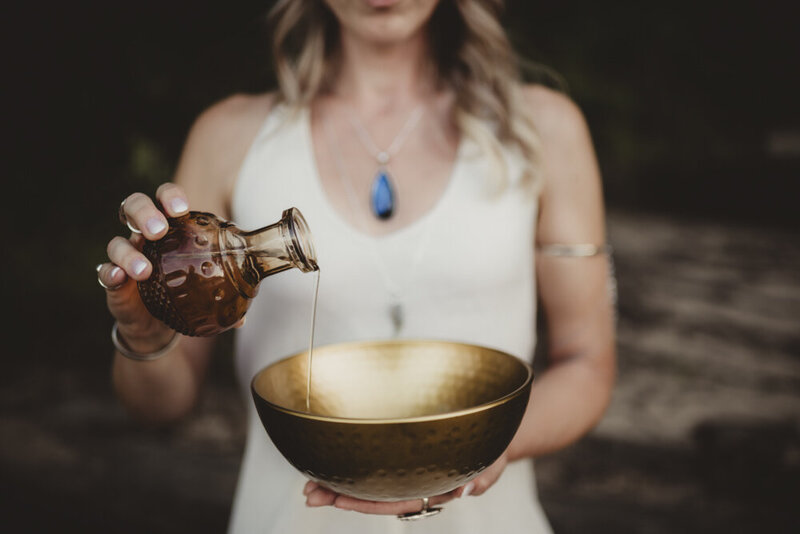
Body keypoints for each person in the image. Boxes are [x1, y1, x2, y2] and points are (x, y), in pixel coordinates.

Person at [97, 0, 616, 532]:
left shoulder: (542, 129)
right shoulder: (229, 136)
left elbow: (587, 364)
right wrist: (143, 335)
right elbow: (161, 404)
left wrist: (479, 449)